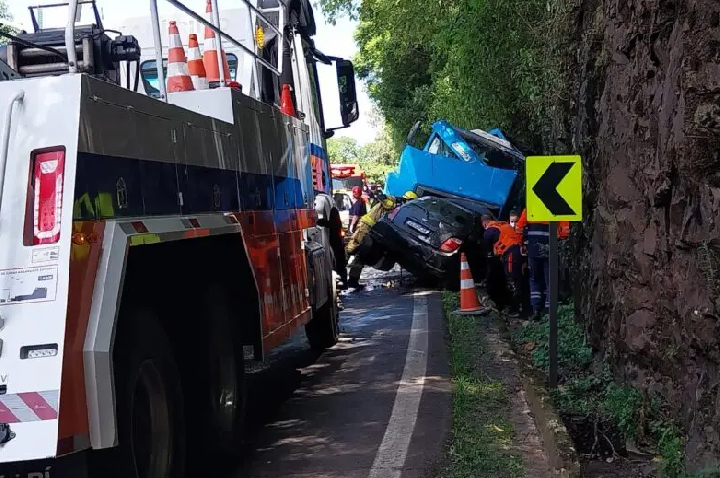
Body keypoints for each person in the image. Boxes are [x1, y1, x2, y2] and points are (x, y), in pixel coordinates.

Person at [345, 196, 396, 289]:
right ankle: (340, 274)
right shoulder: (390, 202)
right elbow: (388, 205)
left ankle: (352, 280)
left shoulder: (386, 204)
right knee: (351, 249)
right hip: (364, 227)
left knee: (360, 255)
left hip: (369, 229)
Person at [481, 214, 524, 318]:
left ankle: (515, 309)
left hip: (510, 255)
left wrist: (490, 267)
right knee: (518, 279)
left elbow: (489, 254)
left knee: (512, 281)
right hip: (518, 252)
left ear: (484, 223)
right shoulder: (504, 226)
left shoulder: (489, 232)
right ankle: (520, 306)